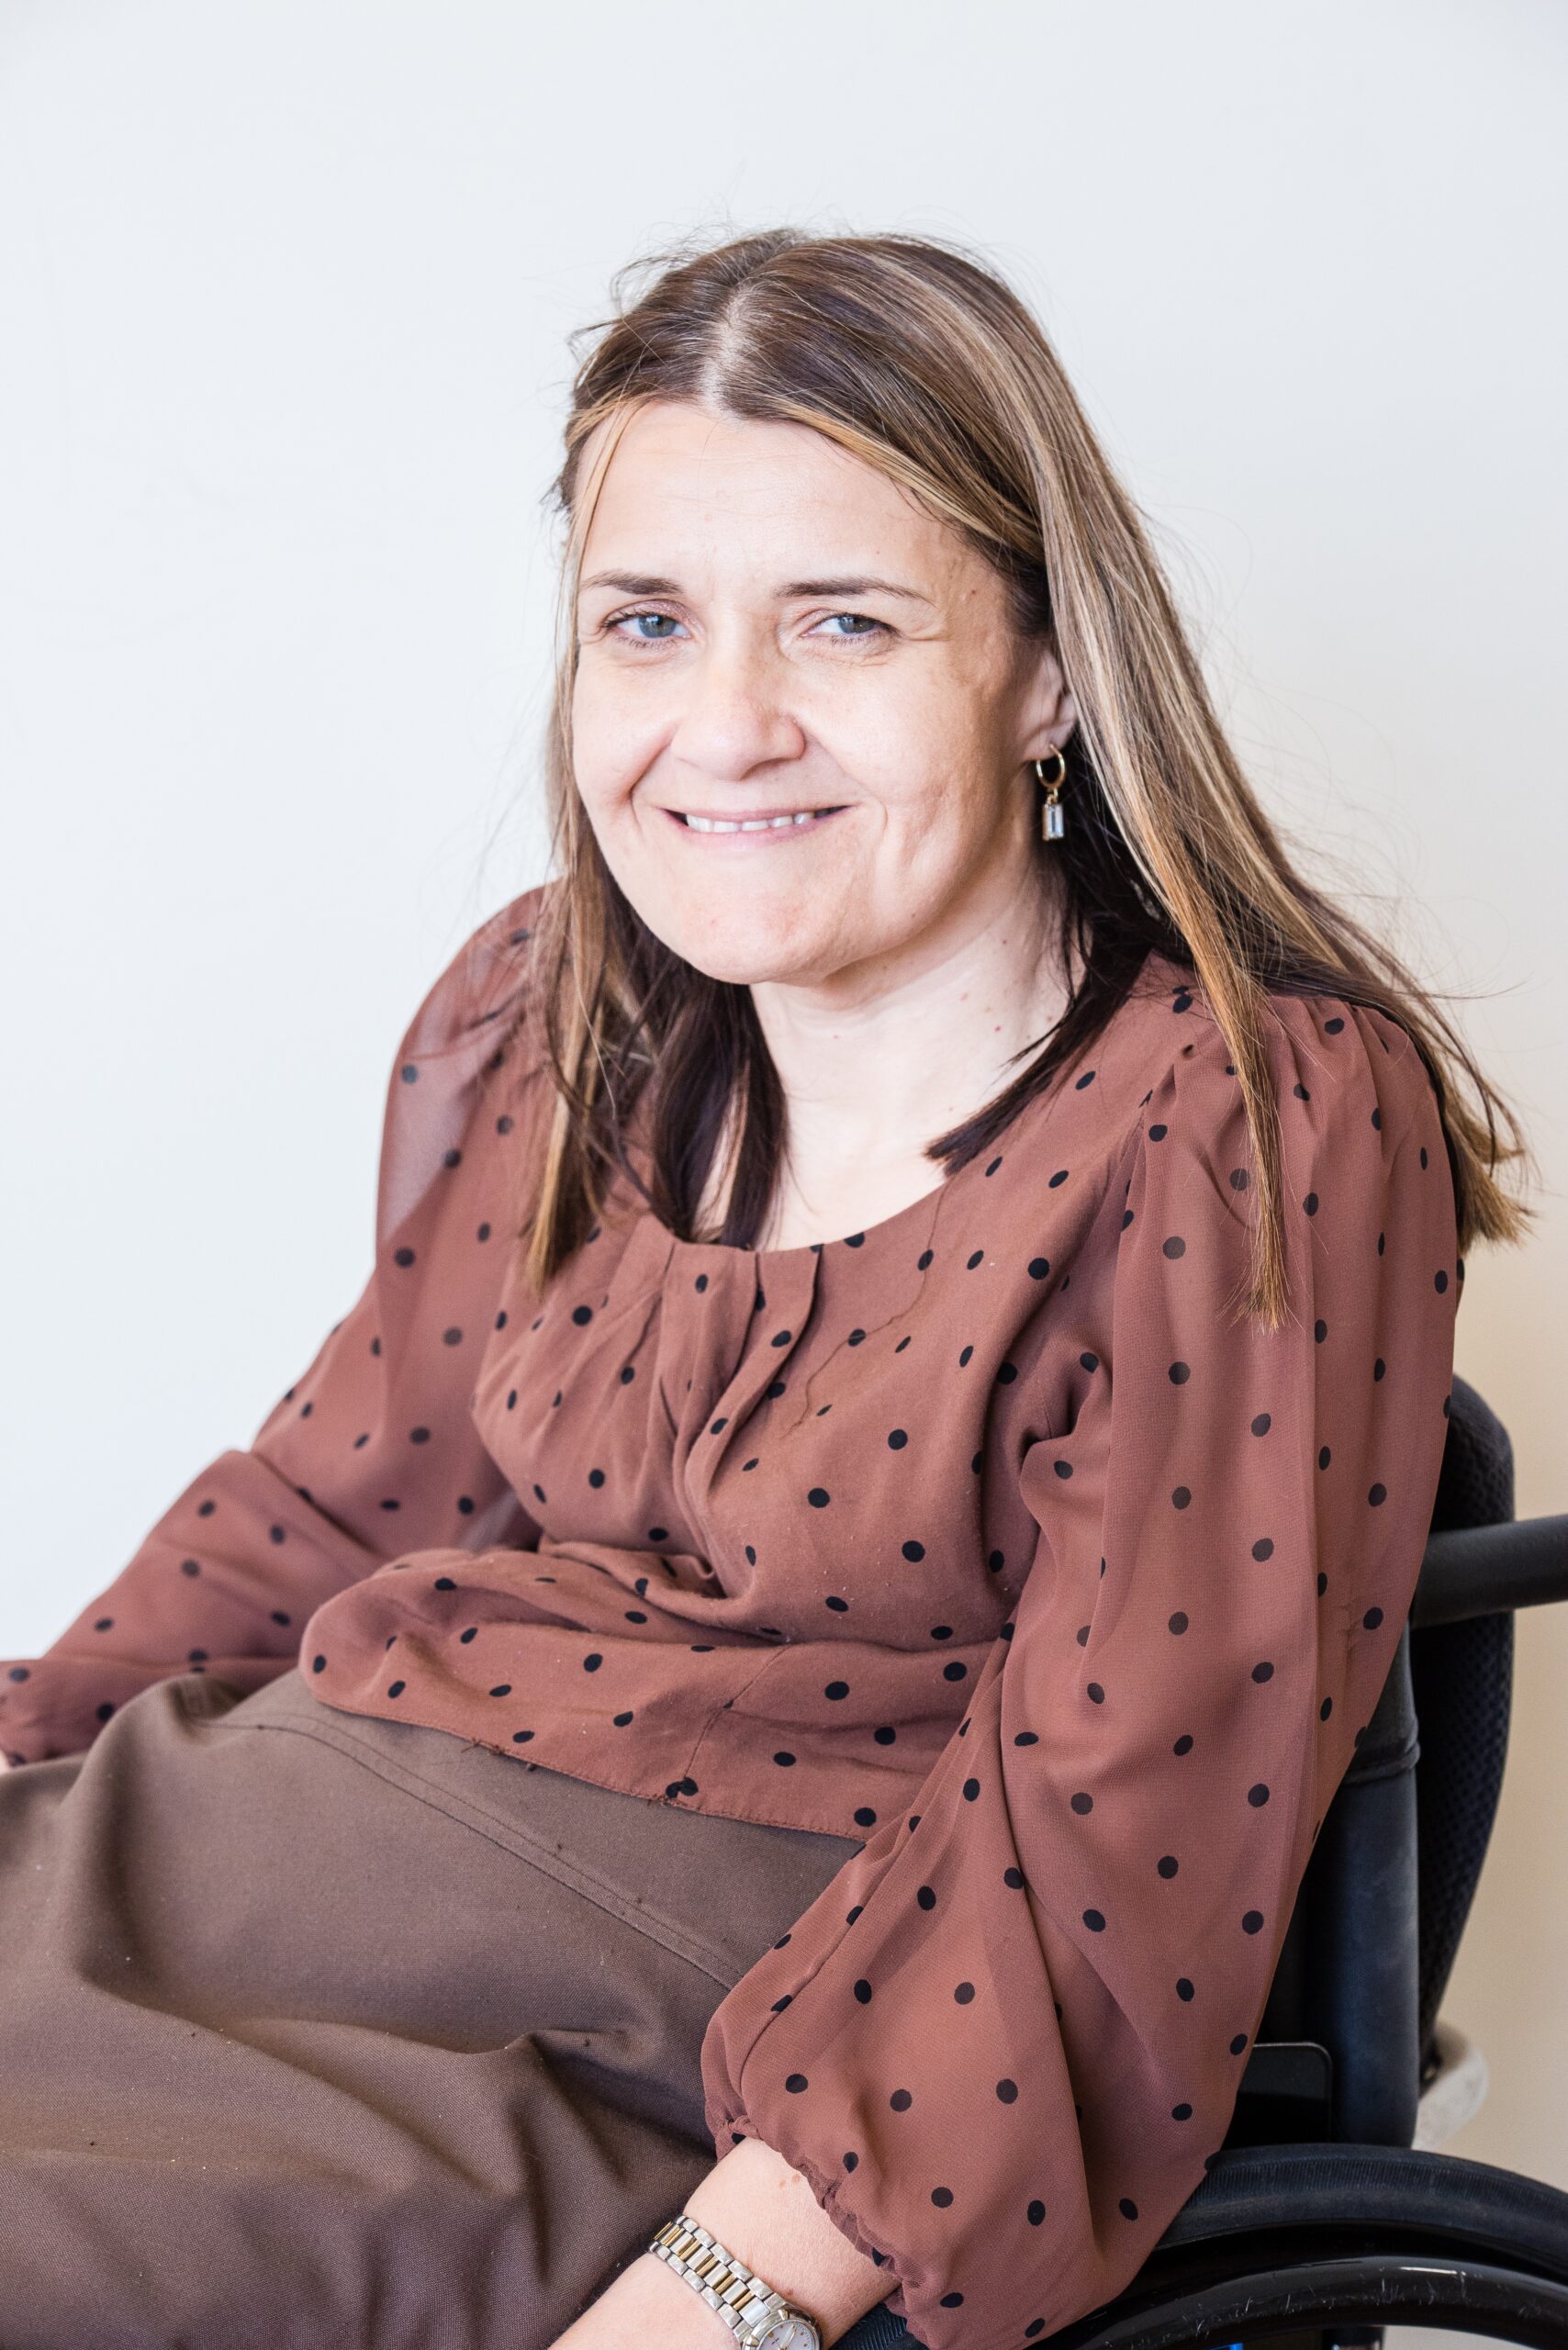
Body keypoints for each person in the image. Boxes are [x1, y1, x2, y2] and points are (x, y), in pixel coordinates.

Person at [0, 228, 1530, 2350]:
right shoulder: (555, 1012)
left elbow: (1117, 1825)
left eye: (840, 620)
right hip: (249, 1835)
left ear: (1042, 669)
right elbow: (325, 1512)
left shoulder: (1241, 1119)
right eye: (647, 622)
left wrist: (722, 2290)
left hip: (661, 2019)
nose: (722, 726)